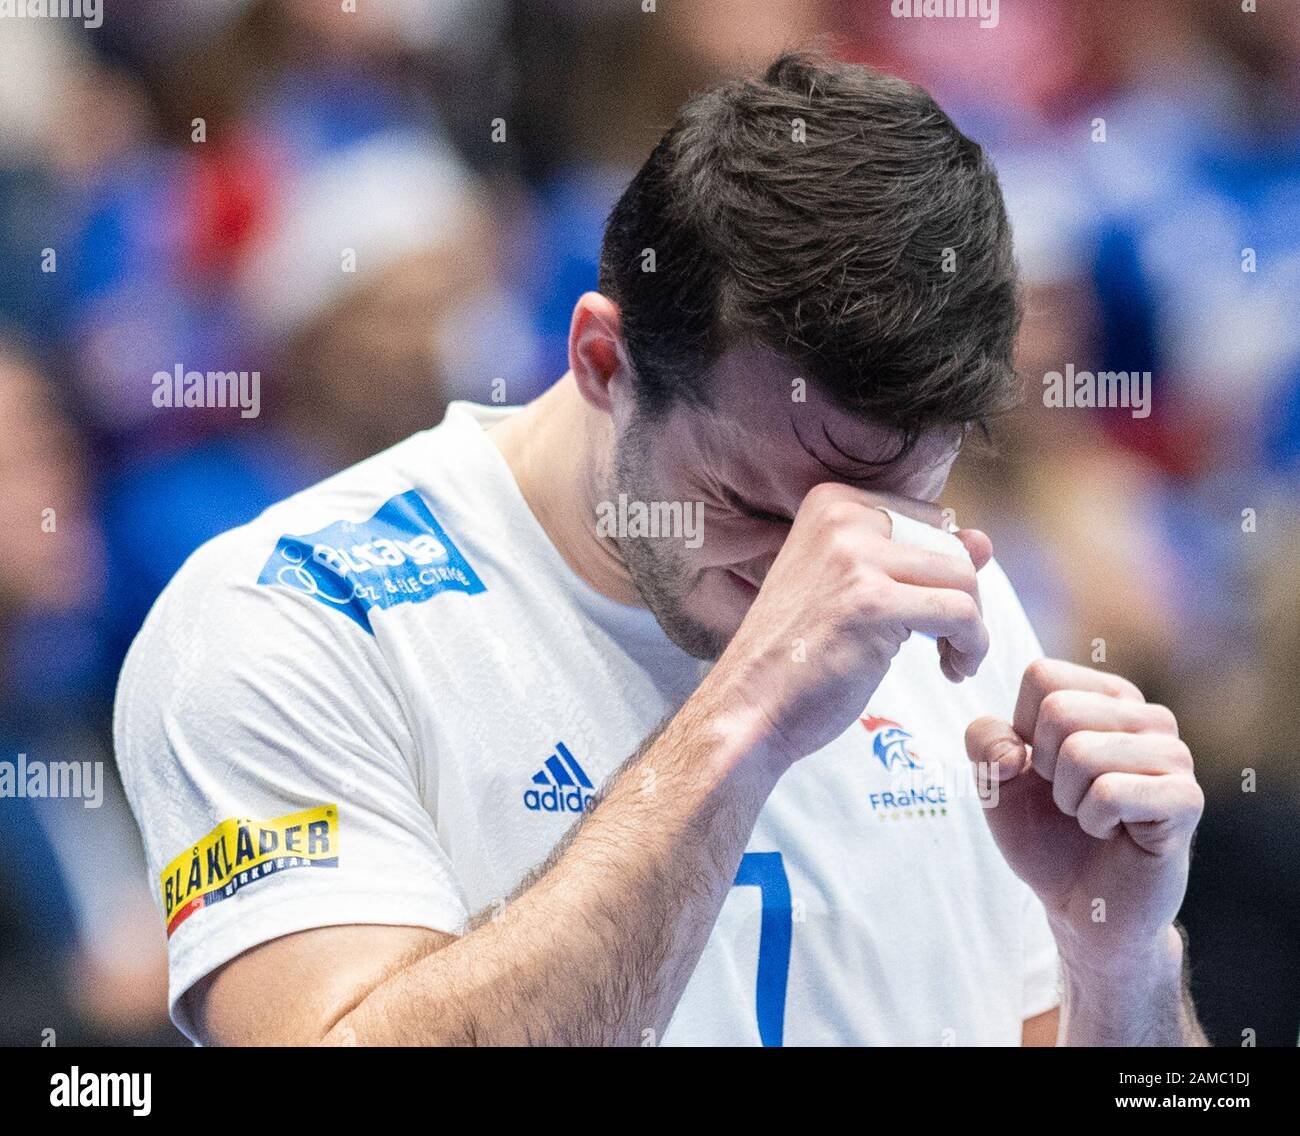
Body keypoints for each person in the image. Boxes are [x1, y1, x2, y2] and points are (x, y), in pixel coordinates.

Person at [114, 53, 1207, 1046]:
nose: (818, 574)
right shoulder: (289, 616)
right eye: (749, 503)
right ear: (602, 358)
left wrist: (1115, 960)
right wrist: (744, 716)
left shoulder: (948, 597)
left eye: (884, 514)